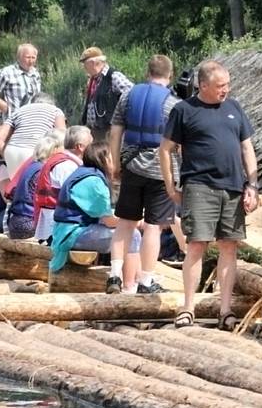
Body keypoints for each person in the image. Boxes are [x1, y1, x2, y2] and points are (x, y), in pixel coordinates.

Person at [159, 61, 259, 330]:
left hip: (233, 187)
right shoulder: (184, 110)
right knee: (196, 245)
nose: (225, 90)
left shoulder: (234, 108)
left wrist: (253, 184)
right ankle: (188, 308)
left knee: (229, 246)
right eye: (220, 86)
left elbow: (246, 147)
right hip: (199, 185)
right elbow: (166, 149)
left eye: (227, 84)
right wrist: (171, 186)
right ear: (203, 86)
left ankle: (225, 310)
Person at [109, 54, 186, 295]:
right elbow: (179, 144)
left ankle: (114, 276)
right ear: (170, 75)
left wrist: (115, 163)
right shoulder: (173, 103)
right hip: (160, 172)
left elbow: (115, 132)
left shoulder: (128, 95)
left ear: (147, 72)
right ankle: (146, 280)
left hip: (131, 165)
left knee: (125, 222)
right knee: (153, 227)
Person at [49, 142, 142, 280]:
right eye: (112, 157)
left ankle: (139, 278)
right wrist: (134, 221)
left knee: (130, 231)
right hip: (71, 235)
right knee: (132, 235)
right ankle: (131, 285)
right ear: (103, 159)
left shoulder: (85, 173)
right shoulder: (94, 182)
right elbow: (109, 221)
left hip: (67, 231)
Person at [34, 125, 92, 244]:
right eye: (91, 144)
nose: (94, 148)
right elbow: (78, 199)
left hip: (54, 225)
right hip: (56, 230)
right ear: (80, 147)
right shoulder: (67, 166)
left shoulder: (65, 162)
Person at [0, 92, 66, 178]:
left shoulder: (19, 110)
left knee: (16, 187)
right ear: (52, 103)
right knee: (34, 187)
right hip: (34, 150)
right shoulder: (55, 110)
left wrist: (6, 155)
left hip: (12, 151)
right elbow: (61, 135)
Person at [6, 132, 64, 240]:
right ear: (53, 152)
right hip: (27, 224)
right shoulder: (42, 171)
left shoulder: (32, 166)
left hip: (16, 222)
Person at [79, 47, 133, 142]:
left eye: (85, 64)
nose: (84, 68)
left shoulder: (114, 76)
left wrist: (120, 116)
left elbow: (132, 95)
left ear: (93, 63)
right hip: (96, 130)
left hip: (109, 130)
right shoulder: (93, 79)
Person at [0, 43, 42, 119]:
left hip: (32, 121)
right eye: (28, 57)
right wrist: (3, 105)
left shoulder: (35, 74)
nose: (31, 61)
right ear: (19, 57)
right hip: (13, 122)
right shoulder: (8, 72)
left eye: (33, 58)